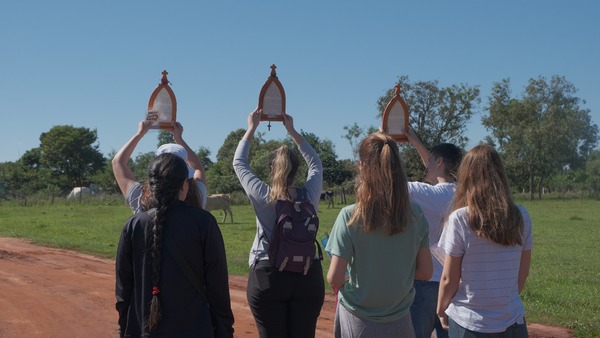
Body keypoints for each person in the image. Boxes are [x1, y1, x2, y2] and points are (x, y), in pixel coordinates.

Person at [326, 132, 433, 338]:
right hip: (400, 318)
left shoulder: (350, 216)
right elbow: (426, 272)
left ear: (362, 167)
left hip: (358, 319)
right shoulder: (415, 214)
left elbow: (334, 277)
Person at [115, 153, 234, 337]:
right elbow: (217, 286)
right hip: (196, 330)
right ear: (184, 185)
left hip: (144, 330)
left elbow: (124, 290)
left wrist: (126, 329)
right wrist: (225, 330)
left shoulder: (134, 225)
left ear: (151, 187)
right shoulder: (204, 223)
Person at [232, 108, 325, 338]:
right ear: (297, 170)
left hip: (268, 275)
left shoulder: (263, 195)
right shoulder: (309, 194)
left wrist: (251, 127)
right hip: (307, 274)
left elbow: (239, 162)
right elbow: (317, 164)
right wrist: (292, 131)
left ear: (271, 169)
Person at [436, 145, 533, 337]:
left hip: (469, 323)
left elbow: (449, 279)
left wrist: (441, 309)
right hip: (513, 321)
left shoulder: (460, 218)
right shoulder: (521, 216)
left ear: (467, 176)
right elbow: (522, 275)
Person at [405, 127, 463, 338]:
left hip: (426, 282)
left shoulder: (426, 194)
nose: (425, 166)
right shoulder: (465, 193)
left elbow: (389, 182)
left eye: (430, 161)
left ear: (439, 163)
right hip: (456, 283)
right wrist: (417, 143)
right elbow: (435, 173)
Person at [112, 117, 208, 212]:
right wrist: (179, 138)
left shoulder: (140, 201)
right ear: (185, 180)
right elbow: (198, 168)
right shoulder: (198, 198)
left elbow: (118, 162)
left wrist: (140, 133)